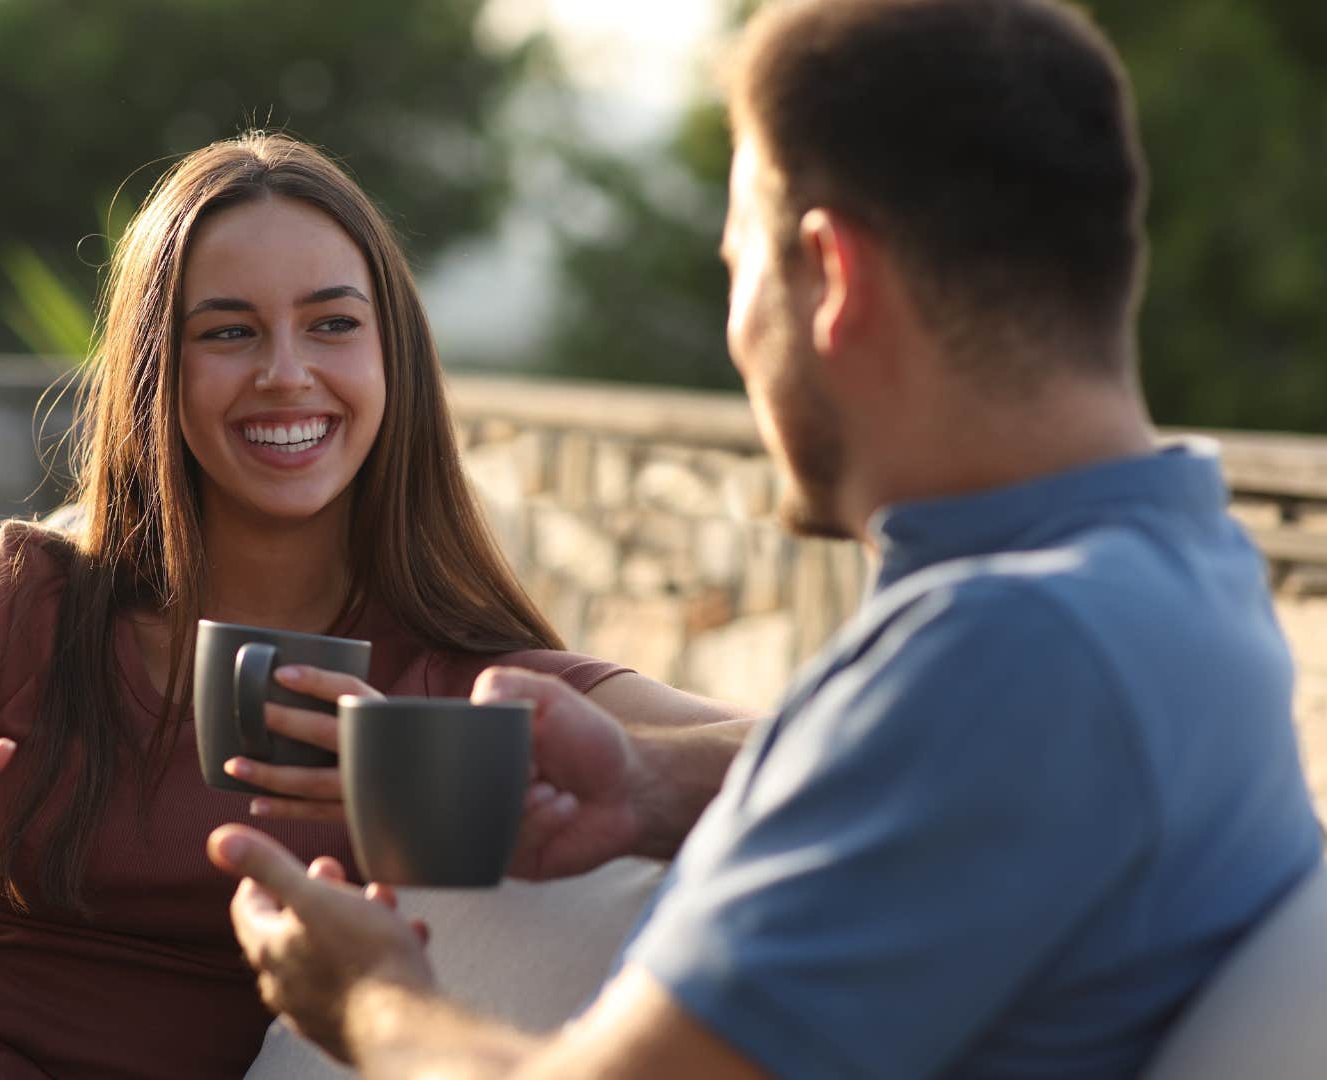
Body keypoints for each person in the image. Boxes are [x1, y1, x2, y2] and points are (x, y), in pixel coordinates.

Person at [208, 1, 1326, 1076]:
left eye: (737, 263)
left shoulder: (1016, 644)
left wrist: (371, 1002)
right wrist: (647, 787)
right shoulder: (1177, 563)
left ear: (830, 276)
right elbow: (955, 810)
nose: (739, 327)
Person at [0, 132, 751, 1080]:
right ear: (160, 368)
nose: (286, 374)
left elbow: (801, 749)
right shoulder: (19, 603)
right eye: (229, 332)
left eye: (332, 323)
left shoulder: (445, 680)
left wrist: (552, 769)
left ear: (392, 358)